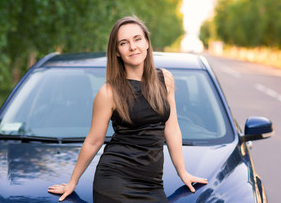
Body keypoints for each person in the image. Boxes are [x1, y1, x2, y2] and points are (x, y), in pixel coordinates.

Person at [48, 16, 208, 202]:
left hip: (153, 184)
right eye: (124, 43)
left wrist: (183, 172)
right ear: (117, 52)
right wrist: (72, 182)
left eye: (137, 39)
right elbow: (94, 140)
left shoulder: (165, 79)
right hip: (115, 181)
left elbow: (171, 129)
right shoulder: (109, 92)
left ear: (147, 42)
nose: (133, 47)